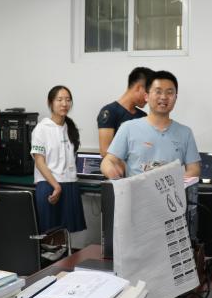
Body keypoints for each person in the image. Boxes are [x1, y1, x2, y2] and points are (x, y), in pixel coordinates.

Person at [100, 70, 200, 178]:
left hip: (172, 188)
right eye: (158, 92)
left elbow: (194, 169)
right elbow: (108, 161)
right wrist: (110, 170)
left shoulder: (185, 133)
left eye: (169, 92)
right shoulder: (128, 128)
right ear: (146, 96)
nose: (164, 97)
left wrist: (175, 182)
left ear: (176, 97)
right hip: (136, 188)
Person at [30, 85, 86, 233]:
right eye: (59, 100)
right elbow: (39, 162)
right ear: (50, 102)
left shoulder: (70, 127)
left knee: (67, 233)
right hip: (49, 185)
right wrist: (56, 186)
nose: (64, 104)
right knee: (50, 234)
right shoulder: (41, 129)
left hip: (70, 184)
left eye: (68, 100)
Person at [97, 67, 154, 157]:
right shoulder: (109, 111)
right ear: (139, 88)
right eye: (148, 92)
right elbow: (105, 151)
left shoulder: (143, 116)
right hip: (118, 166)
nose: (149, 98)